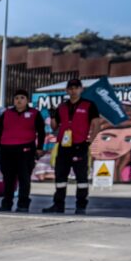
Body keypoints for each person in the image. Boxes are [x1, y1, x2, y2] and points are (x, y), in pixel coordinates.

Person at [43, 78, 101, 214]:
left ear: (81, 89)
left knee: (81, 179)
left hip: (80, 145)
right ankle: (58, 205)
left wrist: (89, 141)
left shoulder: (89, 105)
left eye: (76, 88)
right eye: (71, 88)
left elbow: (96, 125)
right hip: (64, 146)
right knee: (60, 177)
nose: (73, 90)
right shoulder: (62, 107)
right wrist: (52, 116)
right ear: (67, 90)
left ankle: (81, 206)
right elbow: (54, 127)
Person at [0, 89, 45, 212]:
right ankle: (6, 204)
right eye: (16, 98)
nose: (19, 100)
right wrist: (0, 147)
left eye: (22, 98)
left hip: (26, 150)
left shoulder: (35, 113)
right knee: (8, 179)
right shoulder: (6, 114)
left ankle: (23, 204)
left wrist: (39, 148)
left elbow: (41, 132)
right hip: (7, 150)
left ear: (27, 100)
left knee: (24, 178)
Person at [90, 104, 131, 181]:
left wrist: (117, 171)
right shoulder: (74, 161)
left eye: (128, 140)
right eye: (106, 138)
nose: (115, 147)